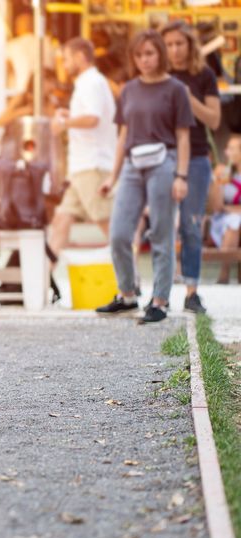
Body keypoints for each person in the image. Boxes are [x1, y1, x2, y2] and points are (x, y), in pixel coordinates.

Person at [96, 30, 194, 323]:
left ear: (160, 54)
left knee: (162, 234)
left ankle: (160, 301)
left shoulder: (176, 89)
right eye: (138, 55)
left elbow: (184, 136)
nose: (144, 60)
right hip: (131, 165)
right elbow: (123, 135)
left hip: (164, 162)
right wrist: (111, 177)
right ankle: (127, 294)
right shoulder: (128, 89)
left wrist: (181, 176)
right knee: (118, 234)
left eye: (149, 53)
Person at [162, 20, 221, 313]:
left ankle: (191, 291)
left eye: (179, 43)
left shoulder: (204, 75)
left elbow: (214, 120)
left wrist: (188, 98)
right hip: (162, 156)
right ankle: (159, 294)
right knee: (161, 226)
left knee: (191, 225)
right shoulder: (157, 74)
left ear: (190, 44)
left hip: (196, 157)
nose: (174, 50)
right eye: (169, 44)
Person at [48, 37, 117, 259]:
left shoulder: (91, 82)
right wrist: (69, 116)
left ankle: (130, 283)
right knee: (61, 221)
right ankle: (42, 284)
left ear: (80, 57)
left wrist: (63, 123)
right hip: (81, 168)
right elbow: (89, 116)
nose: (64, 65)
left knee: (106, 224)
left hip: (92, 165)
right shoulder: (89, 83)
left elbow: (93, 118)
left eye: (66, 59)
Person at [209, 136, 241, 284]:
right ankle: (224, 270)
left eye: (233, 148)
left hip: (233, 216)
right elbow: (217, 206)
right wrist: (217, 182)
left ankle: (225, 271)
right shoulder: (225, 173)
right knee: (234, 222)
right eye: (229, 148)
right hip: (224, 219)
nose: (228, 152)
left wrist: (231, 209)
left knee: (236, 220)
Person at [5, 11, 58, 95]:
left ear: (17, 28)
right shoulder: (50, 42)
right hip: (47, 92)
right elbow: (60, 68)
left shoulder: (12, 46)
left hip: (21, 91)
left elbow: (6, 70)